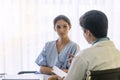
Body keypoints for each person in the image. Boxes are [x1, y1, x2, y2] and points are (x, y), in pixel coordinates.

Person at [48, 10, 120, 80]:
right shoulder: (118, 54)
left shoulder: (83, 56)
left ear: (88, 33)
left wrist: (78, 61)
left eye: (83, 30)